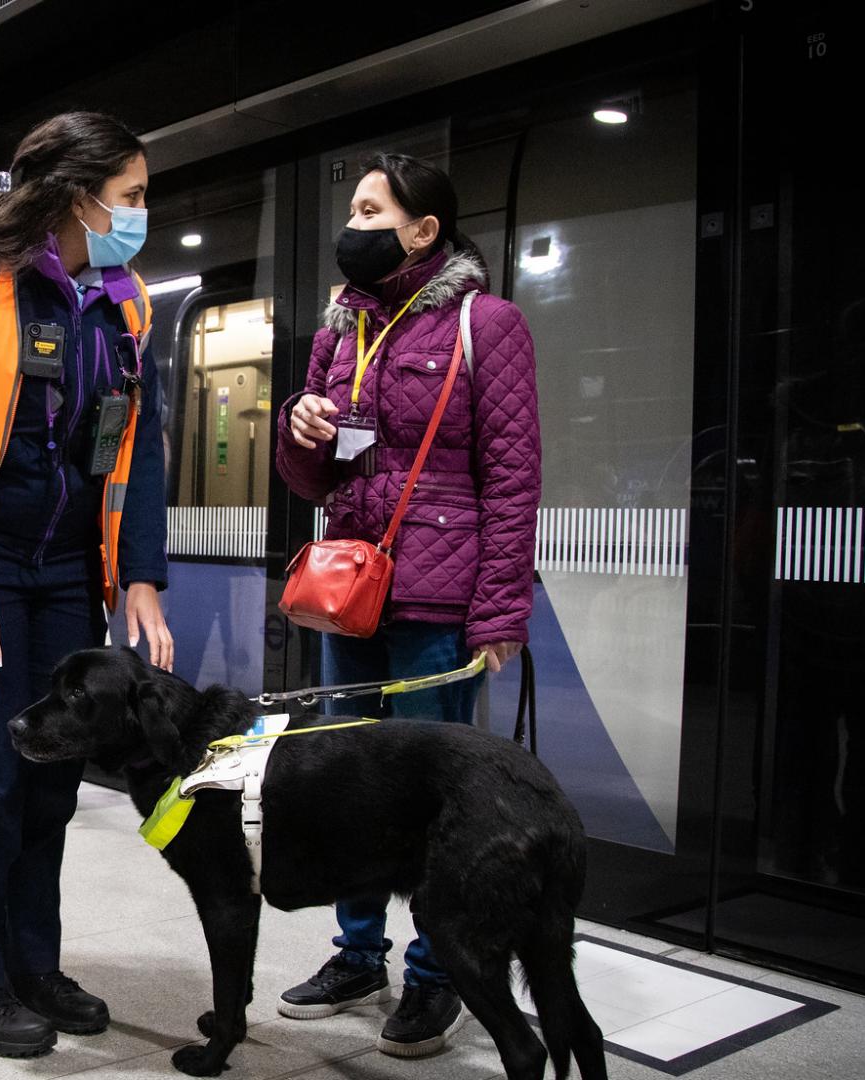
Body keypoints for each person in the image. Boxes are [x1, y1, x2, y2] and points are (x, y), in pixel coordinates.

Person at [0, 112, 172, 1058]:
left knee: (52, 777)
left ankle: (30, 963)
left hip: (67, 572)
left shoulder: (124, 304)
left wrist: (139, 575)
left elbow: (139, 443)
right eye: (130, 196)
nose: (141, 214)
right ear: (75, 194)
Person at [271, 152, 541, 1058]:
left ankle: (439, 974)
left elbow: (512, 480)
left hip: (439, 600)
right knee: (348, 781)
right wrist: (299, 429)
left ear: (423, 231)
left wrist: (501, 613)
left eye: (369, 209)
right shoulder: (341, 327)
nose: (353, 223)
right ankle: (359, 953)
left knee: (432, 797)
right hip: (351, 594)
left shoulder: (486, 325)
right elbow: (316, 474)